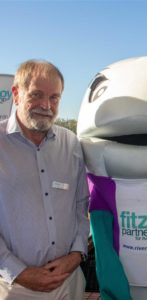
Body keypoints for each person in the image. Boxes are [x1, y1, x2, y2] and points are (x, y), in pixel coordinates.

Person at [0, 59, 90, 299]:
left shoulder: (71, 143)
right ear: (17, 94)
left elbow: (81, 206)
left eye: (54, 98)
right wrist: (19, 272)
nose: (46, 105)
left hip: (69, 282)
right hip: (15, 287)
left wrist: (76, 255)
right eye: (37, 95)